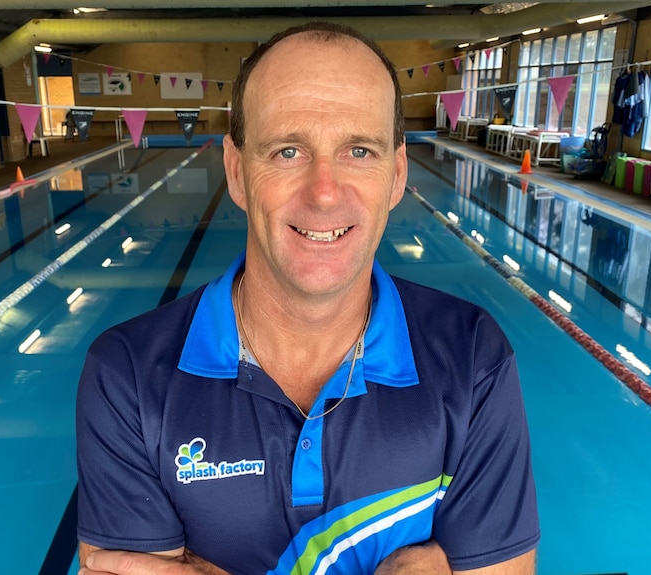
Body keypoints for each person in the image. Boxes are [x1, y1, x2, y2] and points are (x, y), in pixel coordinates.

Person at [76, 21, 539, 575]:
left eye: (359, 151)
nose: (323, 192)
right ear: (237, 172)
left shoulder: (471, 357)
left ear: (396, 176)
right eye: (288, 150)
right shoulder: (128, 375)